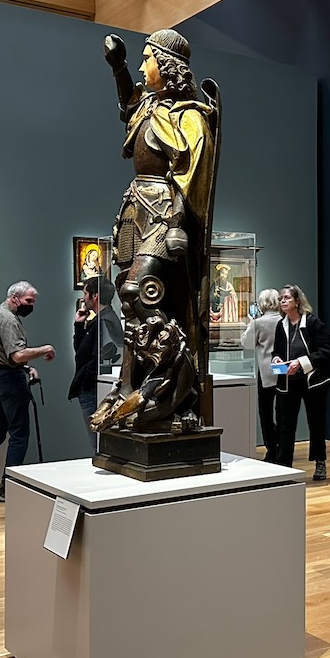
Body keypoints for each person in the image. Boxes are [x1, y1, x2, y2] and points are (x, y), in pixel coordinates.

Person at [93, 29, 220, 435]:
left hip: (165, 211)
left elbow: (192, 175)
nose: (142, 65)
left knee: (136, 289)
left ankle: (172, 365)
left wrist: (178, 222)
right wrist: (118, 67)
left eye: (147, 58)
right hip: (135, 207)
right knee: (127, 299)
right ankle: (128, 384)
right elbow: (129, 103)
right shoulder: (150, 107)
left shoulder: (190, 117)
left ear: (166, 66)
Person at [0, 281, 56, 500]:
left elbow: (1, 355)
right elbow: (16, 356)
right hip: (7, 379)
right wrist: (44, 349)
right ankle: (9, 488)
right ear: (15, 298)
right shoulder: (8, 319)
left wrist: (26, 368)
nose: (31, 305)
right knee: (19, 433)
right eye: (28, 301)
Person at [271, 284, 330, 481]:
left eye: (287, 298)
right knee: (286, 424)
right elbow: (277, 351)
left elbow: (327, 351)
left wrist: (301, 362)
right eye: (281, 298)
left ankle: (320, 462)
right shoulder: (281, 325)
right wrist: (276, 359)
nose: (283, 301)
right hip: (288, 381)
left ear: (297, 301)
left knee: (316, 422)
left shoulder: (313, 323)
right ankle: (284, 466)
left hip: (313, 381)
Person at [68, 275, 123, 448]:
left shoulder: (104, 321)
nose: (84, 298)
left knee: (98, 442)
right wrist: (79, 325)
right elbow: (81, 352)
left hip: (93, 389)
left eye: (85, 293)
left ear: (95, 296)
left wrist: (85, 382)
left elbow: (96, 359)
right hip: (93, 386)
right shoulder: (102, 320)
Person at [240, 288, 282, 462]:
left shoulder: (259, 323)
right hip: (283, 371)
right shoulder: (284, 320)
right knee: (283, 411)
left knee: (265, 413)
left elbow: (247, 343)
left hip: (266, 371)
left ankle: (272, 448)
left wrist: (250, 324)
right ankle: (282, 447)